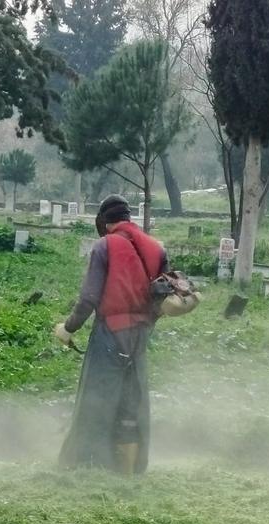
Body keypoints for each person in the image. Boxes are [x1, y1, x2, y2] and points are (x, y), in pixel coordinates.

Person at [54, 195, 168, 475]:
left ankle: (91, 467)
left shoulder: (105, 245)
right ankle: (128, 472)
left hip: (109, 334)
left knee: (98, 400)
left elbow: (89, 298)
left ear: (104, 222)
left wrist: (67, 329)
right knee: (132, 401)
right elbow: (163, 299)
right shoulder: (155, 248)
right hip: (140, 336)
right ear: (128, 219)